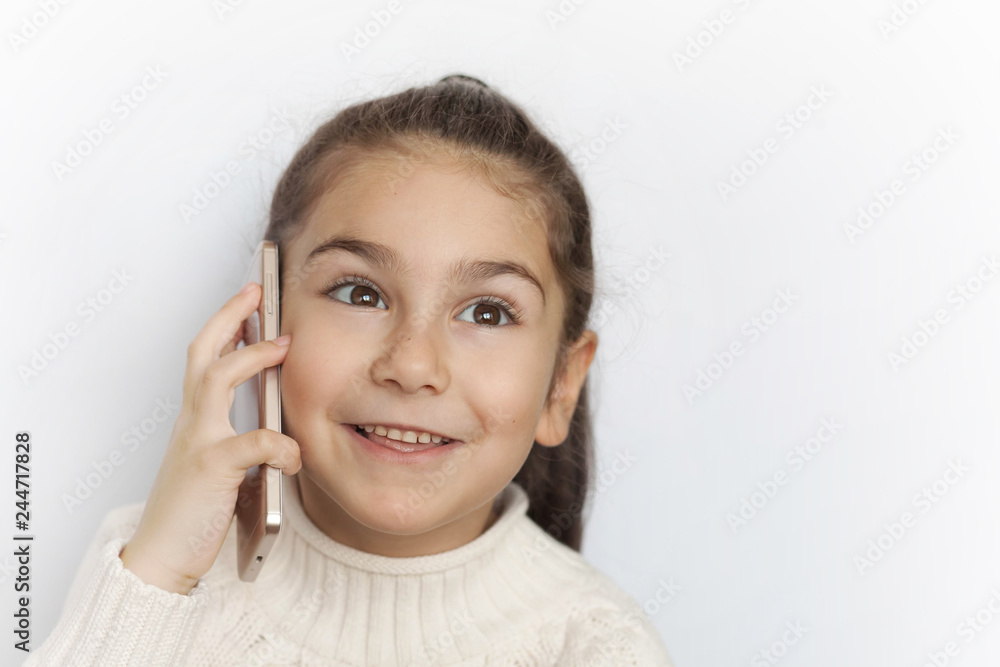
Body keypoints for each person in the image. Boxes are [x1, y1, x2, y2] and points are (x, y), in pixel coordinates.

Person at [26, 74, 674, 666]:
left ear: (562, 385)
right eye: (361, 294)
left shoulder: (595, 644)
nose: (413, 364)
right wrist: (161, 569)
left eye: (486, 312)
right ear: (264, 327)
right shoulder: (151, 565)